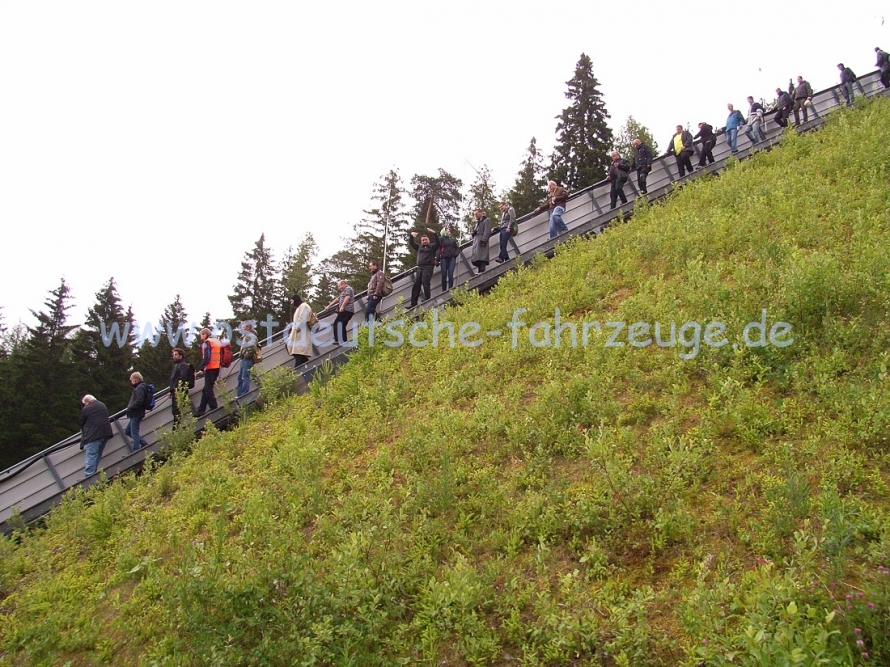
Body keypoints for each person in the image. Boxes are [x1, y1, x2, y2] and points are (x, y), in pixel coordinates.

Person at [79, 394, 113, 477]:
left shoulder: (86, 409)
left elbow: (81, 422)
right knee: (97, 454)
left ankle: (89, 476)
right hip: (106, 433)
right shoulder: (102, 405)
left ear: (87, 402)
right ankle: (93, 473)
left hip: (93, 435)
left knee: (91, 455)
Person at [408, 228, 439, 306]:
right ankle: (413, 303)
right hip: (419, 267)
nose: (424, 241)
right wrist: (411, 236)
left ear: (428, 240)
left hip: (428, 267)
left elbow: (438, 243)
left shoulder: (432, 247)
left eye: (426, 239)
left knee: (425, 281)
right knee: (416, 284)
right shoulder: (419, 247)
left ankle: (427, 298)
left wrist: (434, 233)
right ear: (421, 241)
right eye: (423, 240)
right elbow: (411, 243)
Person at [195, 327, 220, 417]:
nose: (201, 337)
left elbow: (207, 356)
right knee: (206, 389)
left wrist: (202, 368)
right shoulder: (216, 341)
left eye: (201, 335)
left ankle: (213, 406)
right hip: (216, 367)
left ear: (205, 334)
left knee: (208, 389)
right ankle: (201, 409)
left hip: (210, 368)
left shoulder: (207, 342)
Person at [124, 371, 150, 451]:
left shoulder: (140, 387)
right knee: (128, 431)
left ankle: (135, 450)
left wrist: (131, 407)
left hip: (136, 413)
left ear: (135, 380)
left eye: (131, 380)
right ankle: (144, 443)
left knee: (134, 432)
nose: (131, 382)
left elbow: (139, 400)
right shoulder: (140, 387)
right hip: (135, 413)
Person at [286, 294, 313, 367]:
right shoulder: (300, 307)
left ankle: (297, 373)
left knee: (299, 353)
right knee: (298, 353)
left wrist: (296, 328)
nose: (291, 303)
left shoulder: (304, 307)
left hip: (301, 334)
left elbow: (303, 319)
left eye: (292, 301)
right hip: (297, 333)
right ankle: (306, 366)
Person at [169, 347, 193, 425]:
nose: (174, 356)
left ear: (181, 355)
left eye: (176, 354)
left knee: (176, 411)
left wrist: (177, 389)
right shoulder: (177, 365)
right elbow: (174, 379)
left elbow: (182, 377)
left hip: (179, 390)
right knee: (176, 410)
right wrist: (170, 390)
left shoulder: (183, 365)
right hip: (176, 390)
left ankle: (176, 429)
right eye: (173, 355)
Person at [326, 280, 355, 344]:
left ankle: (338, 340)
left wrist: (342, 306)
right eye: (338, 286)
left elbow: (347, 298)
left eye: (340, 286)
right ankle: (343, 340)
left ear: (344, 284)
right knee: (342, 325)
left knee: (337, 323)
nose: (339, 288)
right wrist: (329, 306)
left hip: (346, 310)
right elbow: (337, 300)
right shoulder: (343, 292)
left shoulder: (348, 289)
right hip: (347, 310)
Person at [236, 321, 260, 397]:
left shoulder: (250, 335)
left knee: (244, 376)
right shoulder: (246, 335)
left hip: (247, 359)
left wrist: (246, 355)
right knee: (240, 377)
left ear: (248, 327)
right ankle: (239, 394)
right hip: (244, 358)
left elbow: (252, 347)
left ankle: (243, 394)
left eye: (243, 326)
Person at [469, 209, 491, 274]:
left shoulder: (486, 220)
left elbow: (487, 231)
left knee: (482, 256)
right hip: (476, 241)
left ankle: (482, 270)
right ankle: (479, 270)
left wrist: (484, 240)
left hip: (481, 240)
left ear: (480, 213)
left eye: (476, 214)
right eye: (474, 214)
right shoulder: (478, 222)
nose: (475, 216)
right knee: (477, 257)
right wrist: (473, 233)